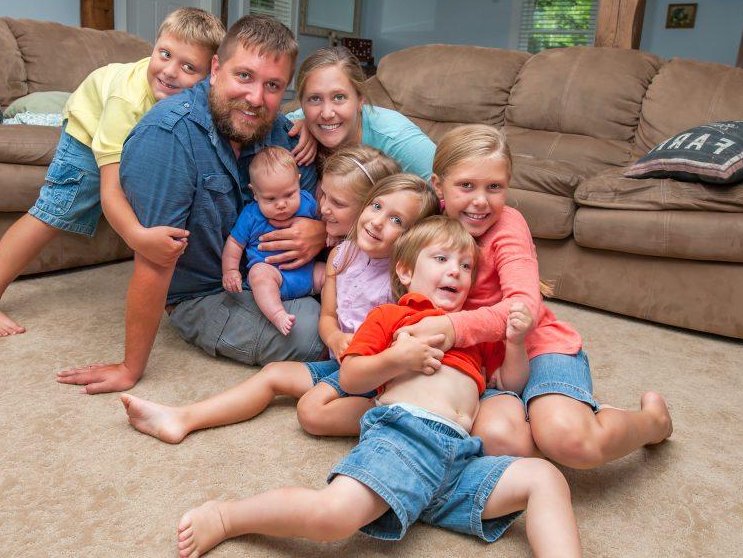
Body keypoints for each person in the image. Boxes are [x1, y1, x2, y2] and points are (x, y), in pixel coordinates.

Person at [175, 217, 581, 558]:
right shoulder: (391, 316)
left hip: (460, 460)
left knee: (544, 478)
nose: (456, 271)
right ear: (405, 271)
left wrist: (513, 341)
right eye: (441, 259)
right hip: (404, 441)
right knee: (333, 517)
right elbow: (352, 377)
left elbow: (510, 384)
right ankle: (228, 516)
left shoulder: (472, 331)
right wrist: (396, 360)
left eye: (465, 266)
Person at [55, 15, 325, 394]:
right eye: (244, 76)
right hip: (206, 294)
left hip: (285, 273)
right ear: (215, 69)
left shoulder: (284, 135)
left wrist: (321, 232)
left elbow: (325, 214)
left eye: (273, 86)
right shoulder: (166, 137)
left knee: (360, 298)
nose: (255, 98)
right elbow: (154, 258)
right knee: (316, 333)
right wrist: (130, 368)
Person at [397, 124, 673, 466]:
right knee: (497, 443)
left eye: (494, 187)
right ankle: (567, 415)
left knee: (571, 442)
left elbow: (523, 304)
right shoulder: (429, 220)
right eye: (466, 185)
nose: (480, 201)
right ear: (439, 185)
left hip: (537, 346)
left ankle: (651, 423)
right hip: (478, 366)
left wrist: (453, 327)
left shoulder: (507, 224)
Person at [0, 7, 225, 337]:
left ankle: (177, 293)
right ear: (154, 46)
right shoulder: (125, 100)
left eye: (188, 67)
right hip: (91, 125)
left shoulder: (208, 98)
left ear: (210, 73)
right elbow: (110, 190)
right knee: (55, 209)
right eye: (164, 54)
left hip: (146, 137)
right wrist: (137, 237)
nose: (170, 72)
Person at [120, 170, 438, 442]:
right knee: (273, 376)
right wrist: (334, 339)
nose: (378, 222)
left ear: (415, 236)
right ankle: (183, 418)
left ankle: (398, 413)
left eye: (396, 220)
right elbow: (327, 316)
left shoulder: (406, 276)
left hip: (382, 376)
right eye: (376, 206)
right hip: (342, 363)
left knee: (311, 413)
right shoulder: (342, 257)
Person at [286, 46, 436, 179]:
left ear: (360, 100)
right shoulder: (297, 124)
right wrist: (298, 127)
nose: (326, 114)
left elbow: (446, 189)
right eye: (315, 99)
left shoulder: (397, 139)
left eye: (339, 97)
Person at [221, 146, 325, 336]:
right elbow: (235, 243)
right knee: (258, 275)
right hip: (274, 274)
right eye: (270, 199)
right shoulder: (251, 215)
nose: (281, 204)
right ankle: (277, 314)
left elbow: (325, 221)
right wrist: (230, 271)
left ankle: (333, 313)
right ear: (254, 194)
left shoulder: (308, 203)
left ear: (298, 183)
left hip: (308, 273)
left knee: (332, 273)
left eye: (289, 194)